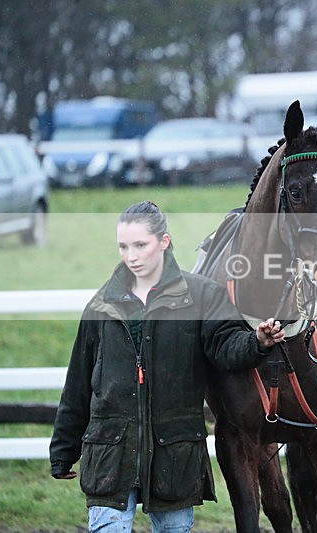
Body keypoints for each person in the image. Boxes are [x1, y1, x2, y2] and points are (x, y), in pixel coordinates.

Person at [50, 201, 285, 532]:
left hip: (173, 458)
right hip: (110, 456)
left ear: (164, 242)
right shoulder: (100, 306)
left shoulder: (203, 297)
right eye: (123, 247)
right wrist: (63, 451)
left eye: (140, 245)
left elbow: (227, 349)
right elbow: (78, 383)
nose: (131, 256)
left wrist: (257, 342)